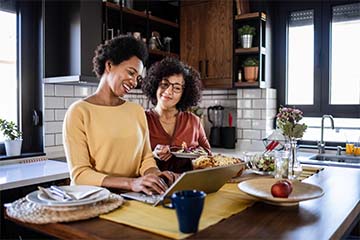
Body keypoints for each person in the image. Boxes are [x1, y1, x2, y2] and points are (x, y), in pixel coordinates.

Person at [63, 36, 175, 195]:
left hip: (134, 198)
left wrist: (155, 175)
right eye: (131, 72)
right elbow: (80, 174)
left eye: (138, 77)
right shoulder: (79, 112)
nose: (134, 82)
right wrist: (131, 183)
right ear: (109, 65)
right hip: (93, 199)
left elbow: (146, 159)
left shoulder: (136, 111)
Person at [141, 57, 211, 173]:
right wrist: (152, 155)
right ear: (155, 85)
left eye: (177, 88)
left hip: (187, 186)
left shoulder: (194, 121)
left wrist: (192, 153)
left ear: (184, 94)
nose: (168, 91)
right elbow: (132, 160)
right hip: (153, 185)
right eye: (164, 84)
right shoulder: (142, 119)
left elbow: (208, 156)